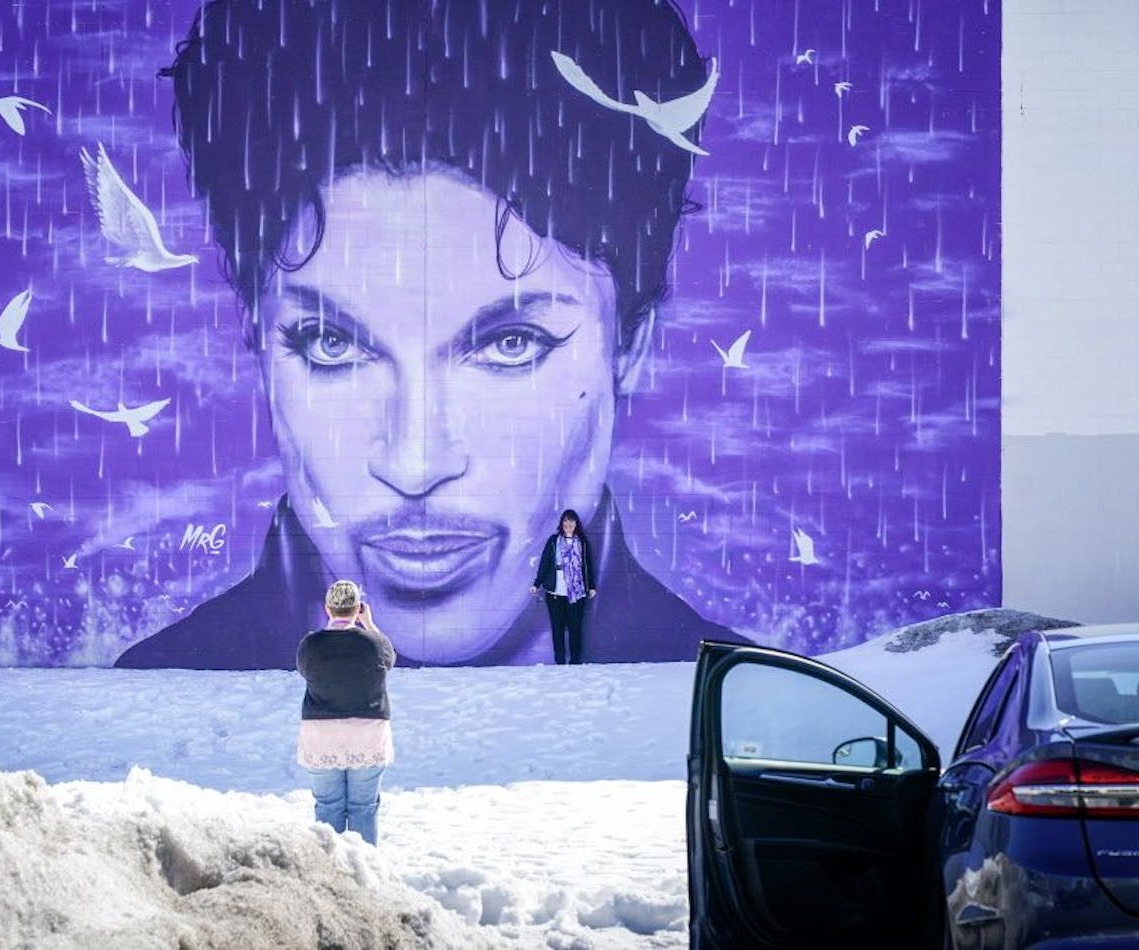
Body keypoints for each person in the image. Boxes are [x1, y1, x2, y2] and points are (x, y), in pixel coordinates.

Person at [115, 0, 752, 670]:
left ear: (631, 347)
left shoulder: (738, 705)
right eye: (331, 345)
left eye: (512, 344)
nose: (415, 464)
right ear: (258, 345)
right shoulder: (155, 696)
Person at [296, 580, 396, 846]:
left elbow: (304, 670)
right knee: (364, 807)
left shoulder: (311, 644)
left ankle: (331, 872)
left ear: (328, 609)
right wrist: (369, 624)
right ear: (357, 609)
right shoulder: (374, 643)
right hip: (368, 736)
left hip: (321, 737)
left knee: (328, 806)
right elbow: (390, 659)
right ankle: (365, 874)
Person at [531, 510, 596, 665]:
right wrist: (536, 583)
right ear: (561, 523)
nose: (568, 524)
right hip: (555, 592)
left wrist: (591, 586)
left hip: (577, 592)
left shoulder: (582, 542)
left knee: (575, 628)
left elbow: (587, 565)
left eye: (571, 521)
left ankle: (575, 661)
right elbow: (545, 564)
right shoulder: (554, 541)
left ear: (576, 524)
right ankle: (559, 661)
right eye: (565, 521)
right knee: (557, 628)